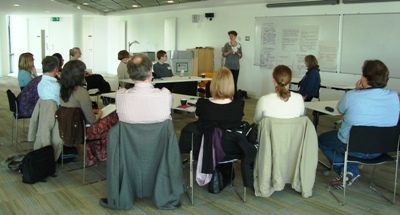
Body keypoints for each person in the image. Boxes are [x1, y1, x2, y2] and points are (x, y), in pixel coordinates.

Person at [318, 60, 400, 189]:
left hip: (353, 147)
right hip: (381, 149)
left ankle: (348, 171)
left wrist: (356, 91)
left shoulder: (352, 95)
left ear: (366, 79)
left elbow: (340, 109)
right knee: (355, 141)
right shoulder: (394, 96)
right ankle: (350, 170)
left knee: (322, 140)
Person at [60, 60, 119, 166]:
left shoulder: (62, 90)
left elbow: (74, 110)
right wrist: (100, 113)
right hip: (83, 130)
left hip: (67, 128)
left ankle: (96, 154)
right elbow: (91, 120)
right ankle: (103, 153)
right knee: (114, 119)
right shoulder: (81, 92)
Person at [116, 54, 172, 124]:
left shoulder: (120, 95)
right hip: (158, 134)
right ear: (151, 73)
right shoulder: (165, 94)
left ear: (130, 75)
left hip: (130, 134)